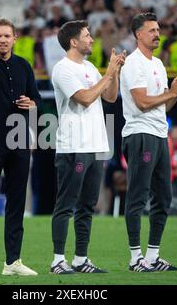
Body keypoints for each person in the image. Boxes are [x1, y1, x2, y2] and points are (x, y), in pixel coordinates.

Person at [120, 12, 177, 272]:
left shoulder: (159, 65)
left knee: (164, 197)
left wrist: (176, 91)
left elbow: (165, 106)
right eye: (151, 30)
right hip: (140, 134)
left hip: (160, 134)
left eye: (158, 29)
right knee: (138, 196)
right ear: (138, 34)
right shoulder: (133, 64)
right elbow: (141, 103)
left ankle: (152, 256)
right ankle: (134, 258)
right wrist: (171, 92)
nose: (157, 34)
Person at [50, 20, 125, 274]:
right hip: (73, 146)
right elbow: (84, 98)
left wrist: (113, 74)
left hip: (95, 146)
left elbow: (110, 97)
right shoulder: (62, 69)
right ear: (73, 41)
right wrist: (107, 75)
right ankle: (57, 261)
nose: (92, 39)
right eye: (87, 35)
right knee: (66, 204)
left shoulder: (91, 67)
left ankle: (80, 259)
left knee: (87, 206)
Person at [0, 18, 41, 277]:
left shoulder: (24, 65)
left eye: (6, 36)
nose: (2, 40)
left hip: (19, 141)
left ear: (15, 38)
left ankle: (13, 262)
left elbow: (37, 97)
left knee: (16, 203)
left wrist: (31, 104)